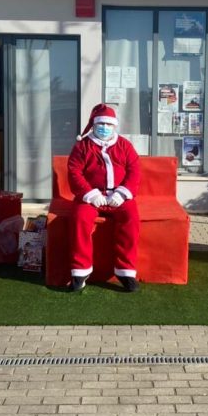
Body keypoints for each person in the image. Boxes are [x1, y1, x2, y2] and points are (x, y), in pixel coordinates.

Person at [67, 103, 141, 293]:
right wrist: (90, 194)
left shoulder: (124, 145)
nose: (105, 128)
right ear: (94, 124)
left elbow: (135, 170)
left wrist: (122, 193)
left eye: (109, 125)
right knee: (80, 219)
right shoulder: (82, 146)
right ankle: (80, 272)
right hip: (90, 197)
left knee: (131, 218)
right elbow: (74, 172)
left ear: (114, 126)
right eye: (102, 124)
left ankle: (126, 272)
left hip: (119, 197)